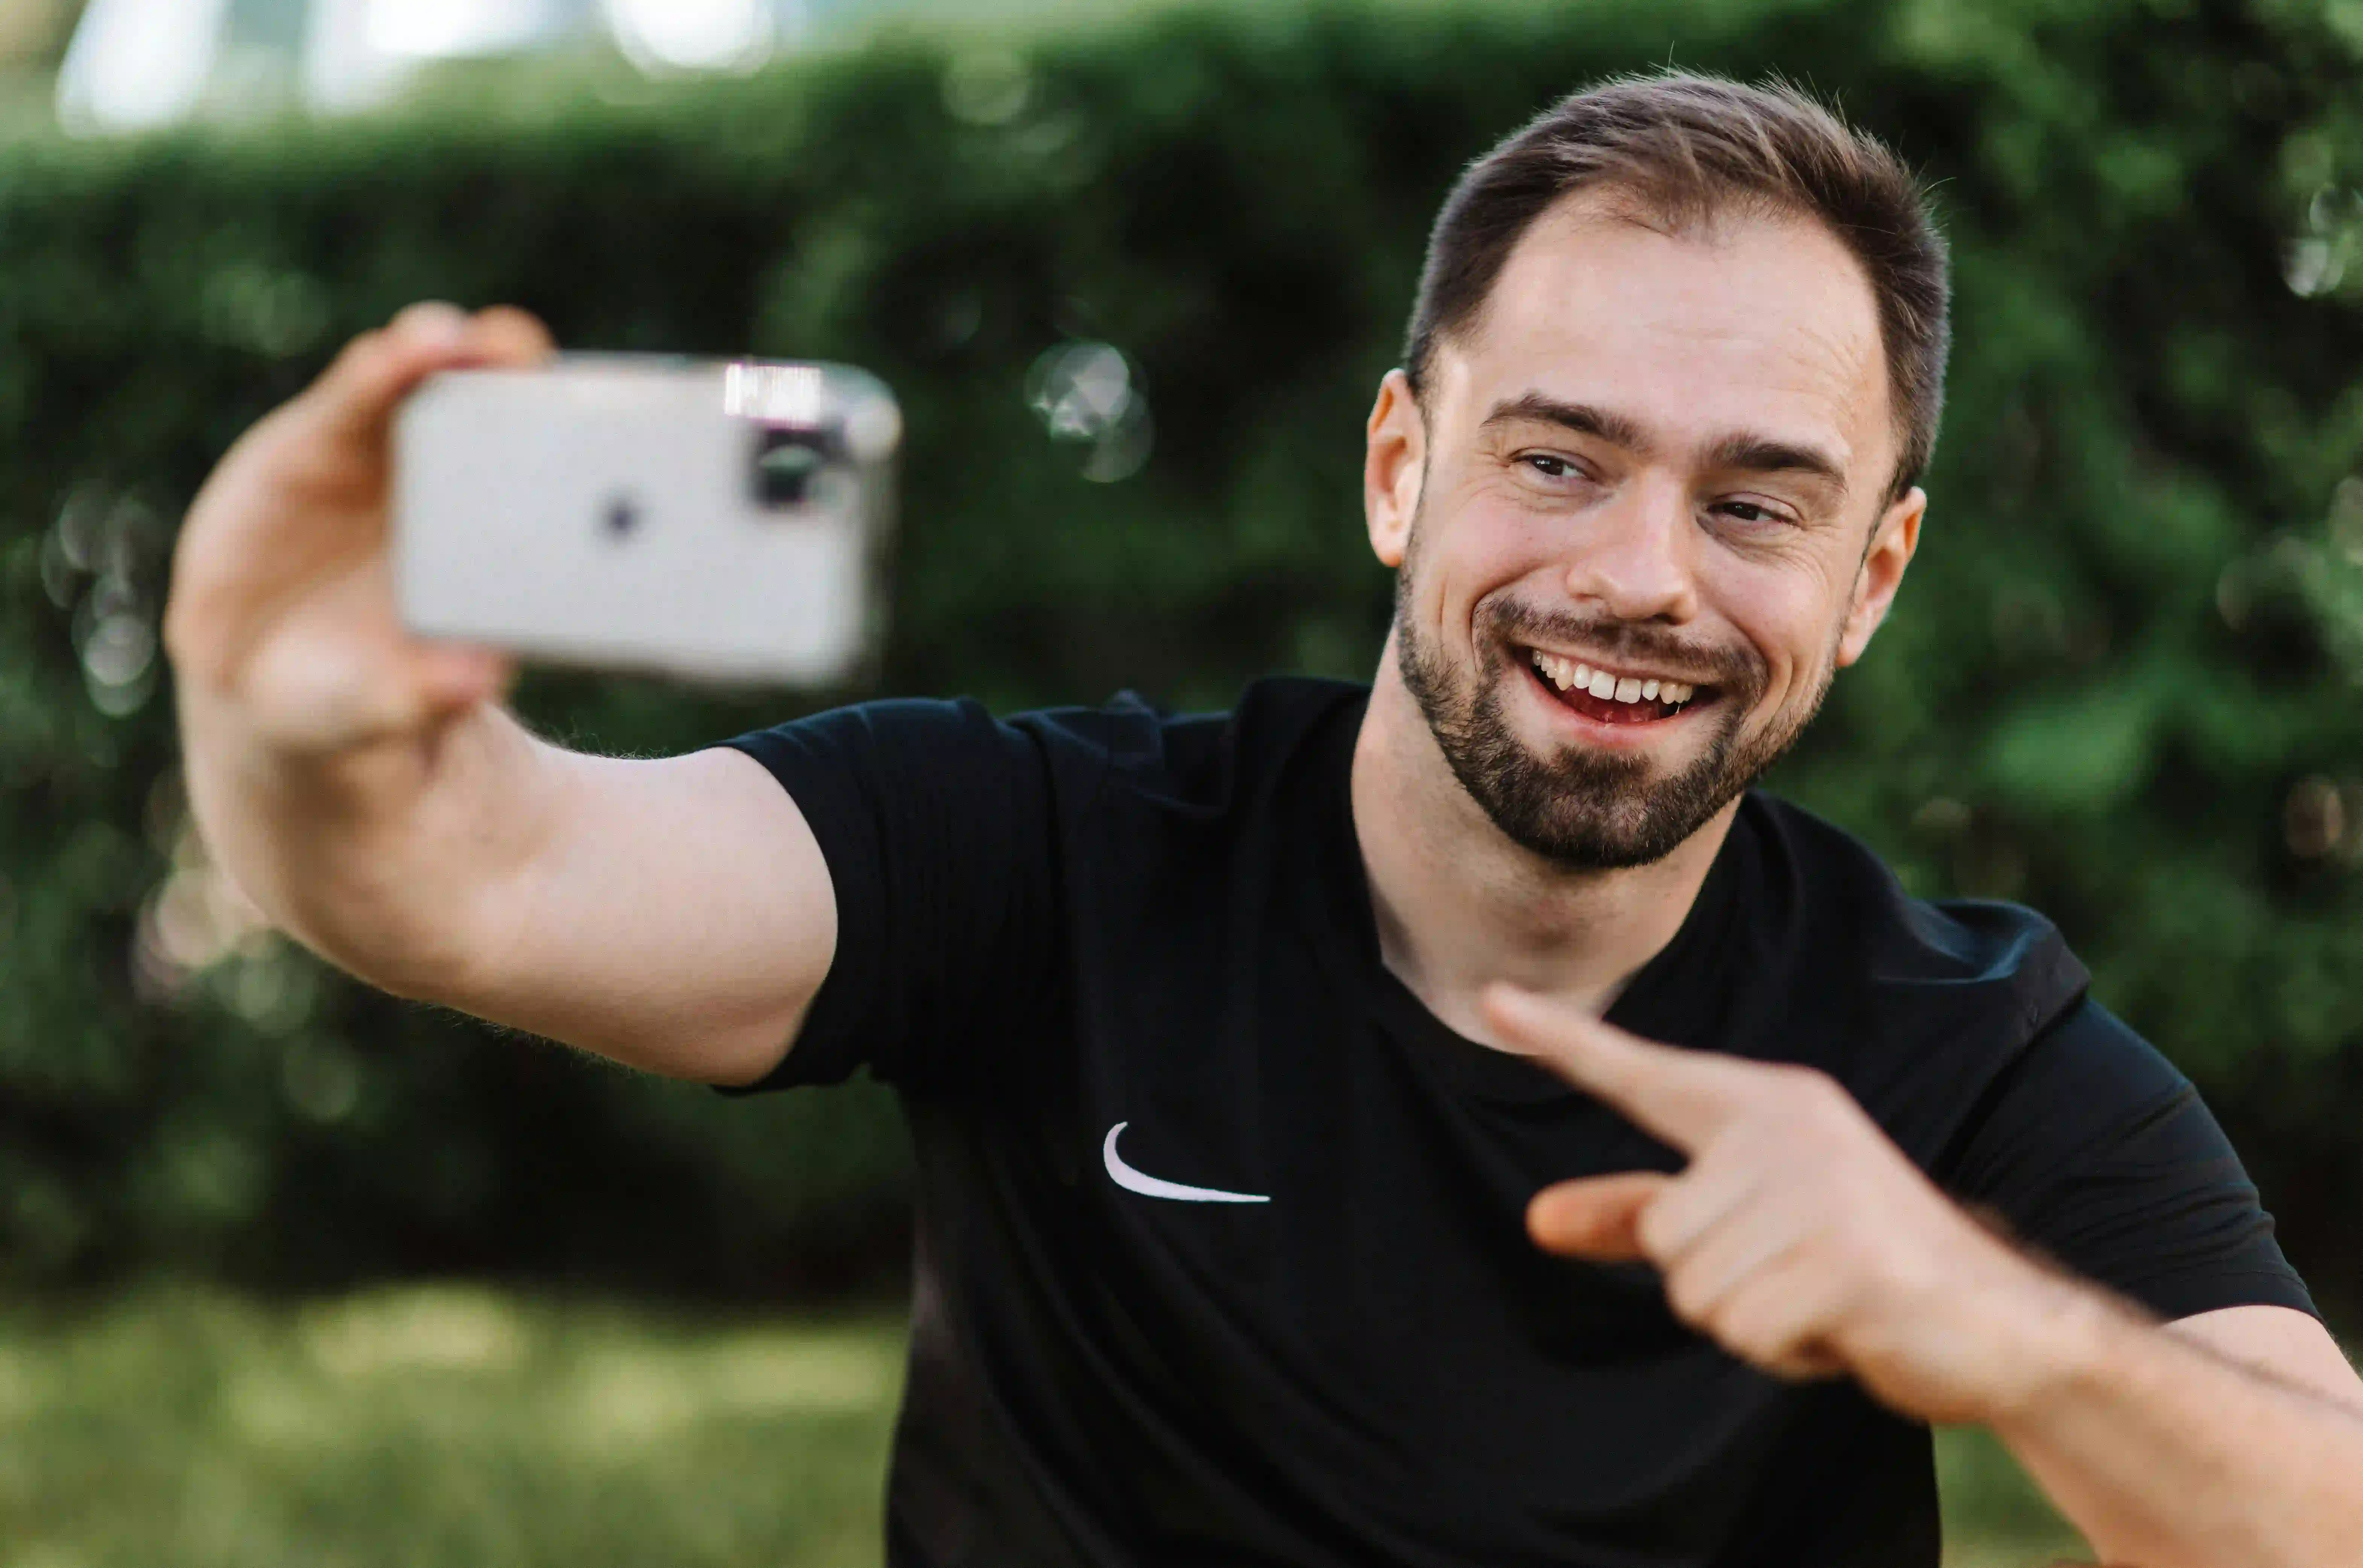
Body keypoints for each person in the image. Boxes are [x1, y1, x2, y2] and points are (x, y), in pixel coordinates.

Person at [164, 70, 2363, 1568]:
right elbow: (486, 873)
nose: (1638, 577)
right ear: (1399, 465)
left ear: (1865, 581)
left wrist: (1989, 1320)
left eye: (1755, 502)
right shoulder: (1047, 856)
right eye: (1558, 458)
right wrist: (283, 725)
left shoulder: (1951, 1036)